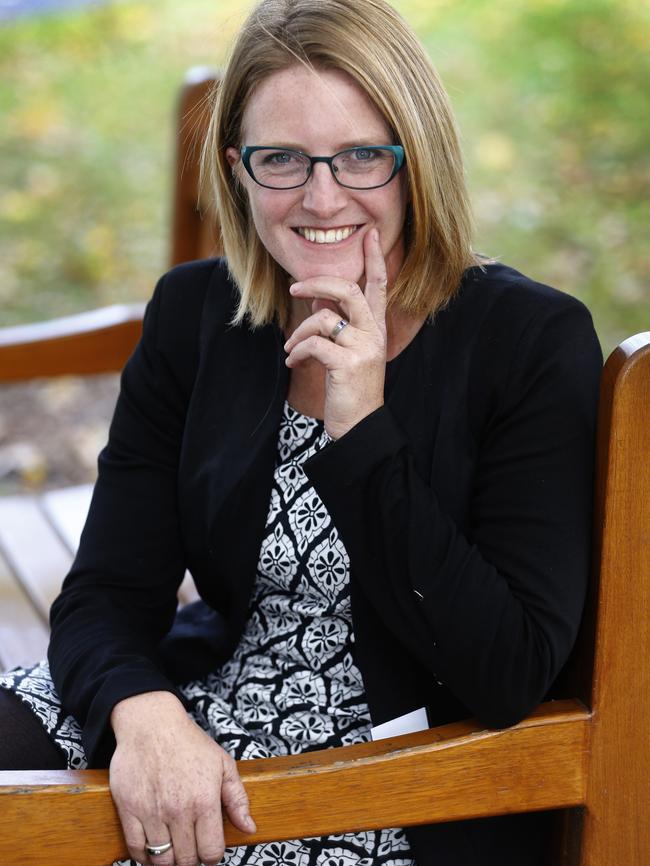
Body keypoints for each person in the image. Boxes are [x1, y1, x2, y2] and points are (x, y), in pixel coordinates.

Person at [0, 0, 603, 864]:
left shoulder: (528, 343)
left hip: (404, 765)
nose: (322, 198)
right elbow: (104, 595)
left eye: (362, 155)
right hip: (209, 694)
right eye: (281, 159)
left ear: (417, 159)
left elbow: (507, 672)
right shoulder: (198, 315)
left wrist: (361, 427)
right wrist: (147, 717)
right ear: (238, 171)